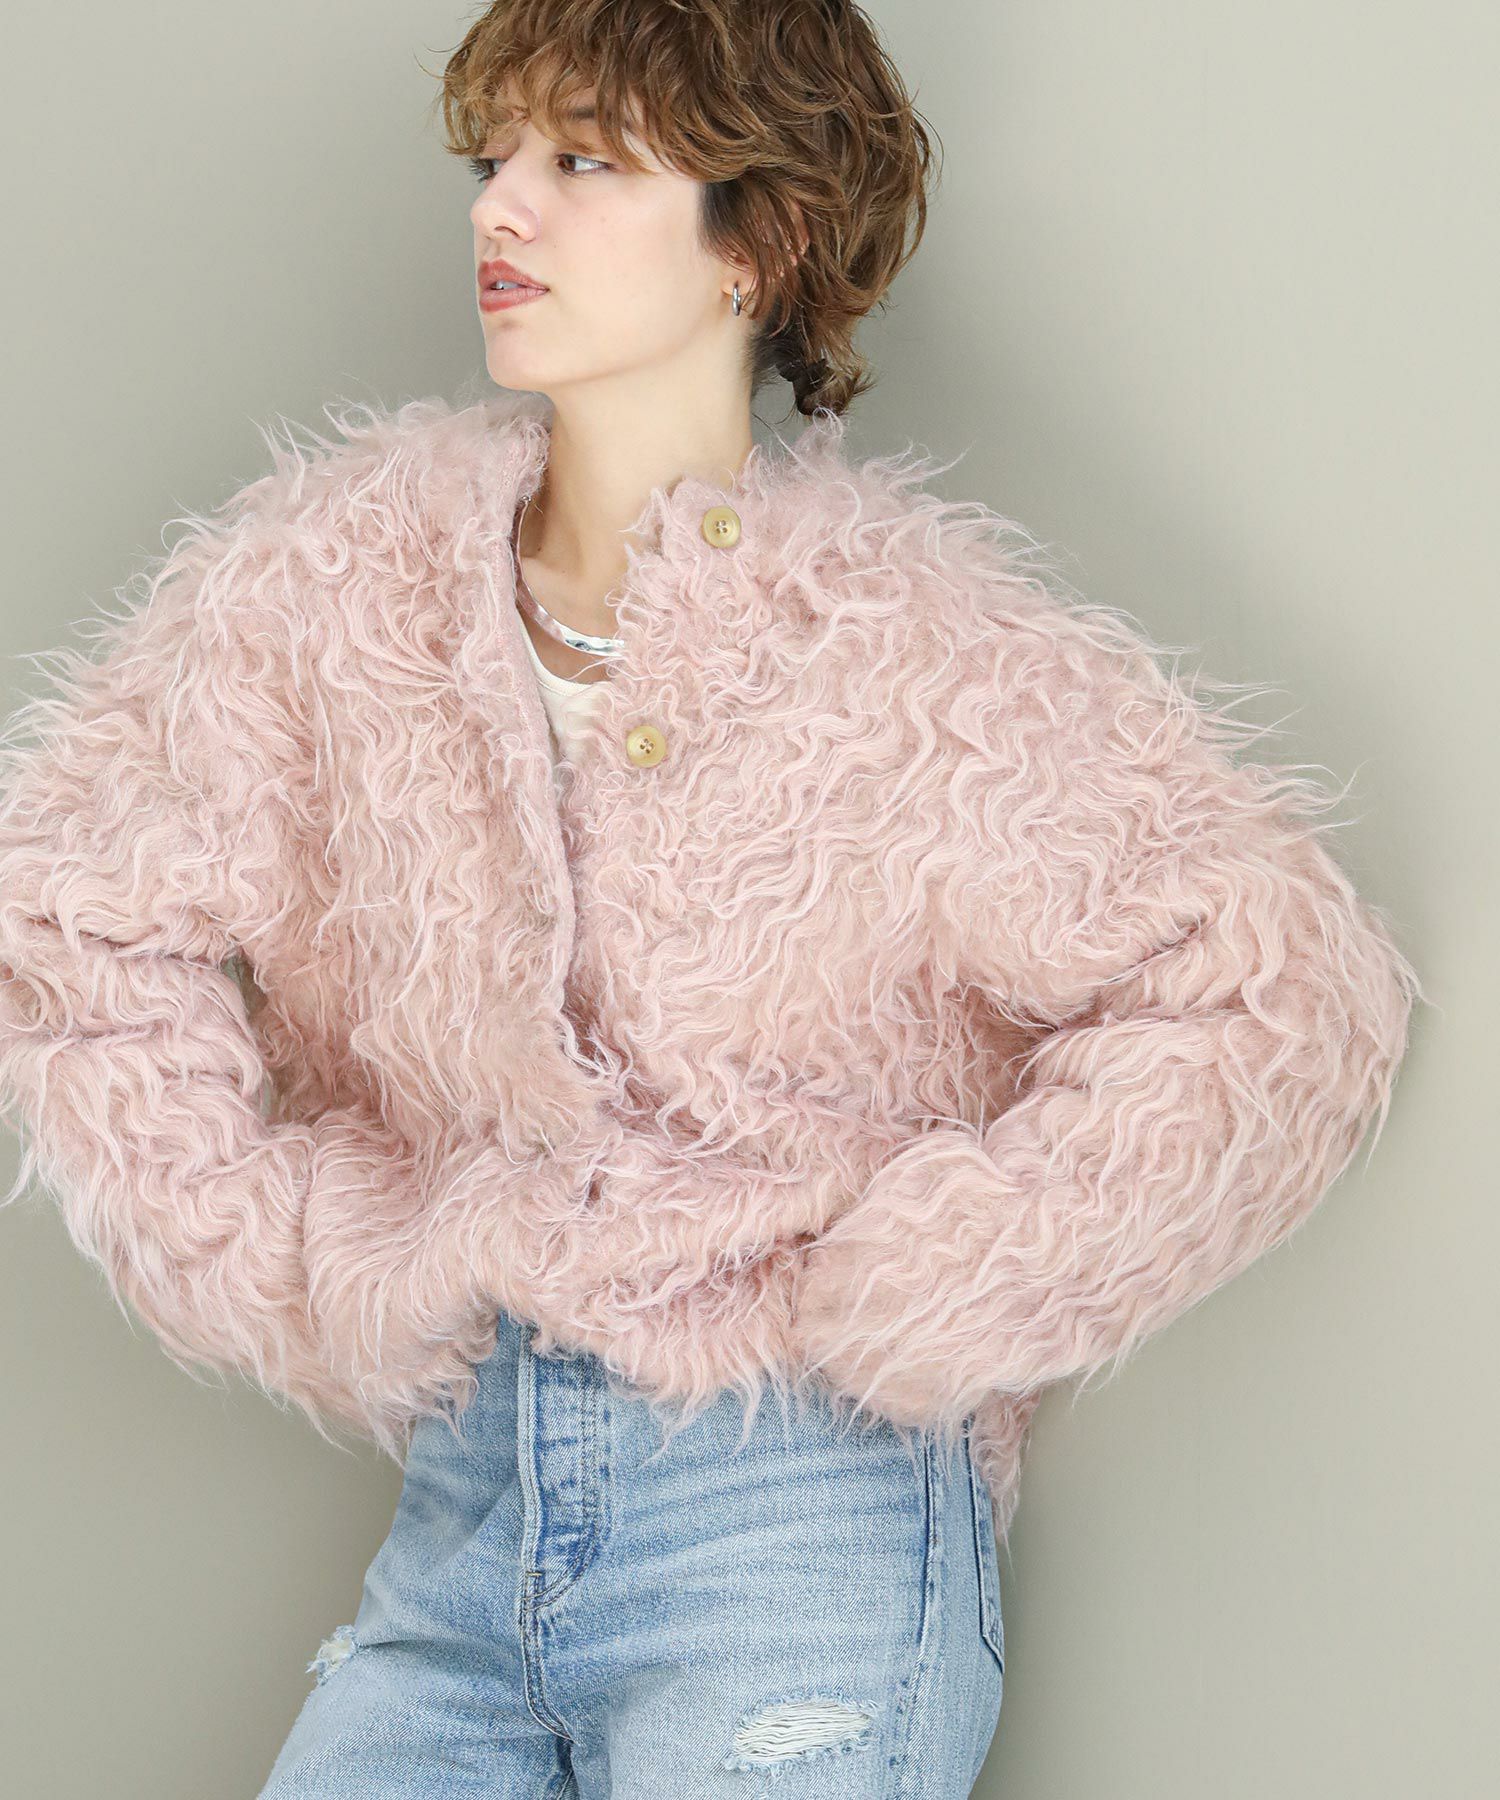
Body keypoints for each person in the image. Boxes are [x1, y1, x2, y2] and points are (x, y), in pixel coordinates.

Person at [0, 3, 1421, 1795]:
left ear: (760, 239)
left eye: (584, 161)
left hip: (794, 1513)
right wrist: (286, 1248)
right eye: (493, 158)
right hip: (466, 1506)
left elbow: (1276, 982)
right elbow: (67, 912)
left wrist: (926, 1281)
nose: (501, 207)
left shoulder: (912, 652)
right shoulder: (328, 591)